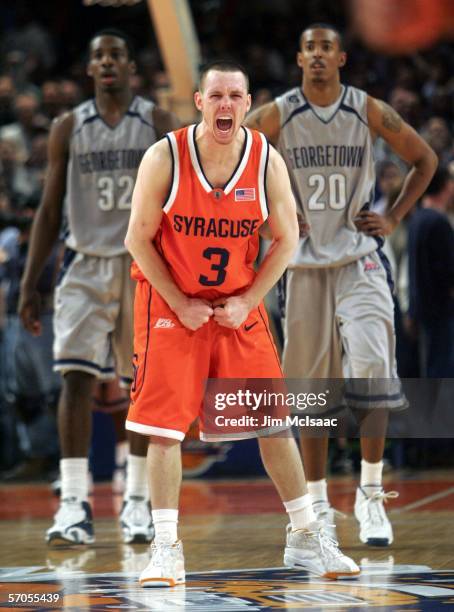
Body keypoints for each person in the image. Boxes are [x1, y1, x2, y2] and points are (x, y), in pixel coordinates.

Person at [124, 60, 360, 586]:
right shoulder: (164, 156)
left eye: (235, 95)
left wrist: (250, 297)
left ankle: (305, 537)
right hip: (169, 303)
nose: (225, 104)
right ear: (199, 101)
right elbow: (137, 238)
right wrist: (179, 303)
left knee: (274, 422)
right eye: (216, 96)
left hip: (237, 305)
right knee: (164, 429)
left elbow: (287, 239)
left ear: (247, 103)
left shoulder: (264, 160)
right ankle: (166, 547)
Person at [245, 23, 437, 547]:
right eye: (309, 47)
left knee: (373, 367)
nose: (318, 55)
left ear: (342, 58)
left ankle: (371, 496)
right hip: (303, 267)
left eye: (327, 47)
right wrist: (266, 220)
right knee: (310, 392)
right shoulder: (275, 115)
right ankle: (319, 503)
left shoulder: (367, 109)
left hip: (360, 260)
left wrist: (394, 216)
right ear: (299, 59)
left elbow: (425, 159)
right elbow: (228, 164)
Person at [18, 29, 180, 546]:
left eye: (116, 54)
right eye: (98, 56)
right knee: (75, 381)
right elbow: (47, 211)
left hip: (142, 267)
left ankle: (135, 503)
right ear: (89, 69)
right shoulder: (69, 126)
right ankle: (73, 504)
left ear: (130, 65)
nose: (107, 62)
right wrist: (28, 282)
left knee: (142, 388)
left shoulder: (156, 122)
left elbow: (185, 200)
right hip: (84, 266)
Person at [407, 168, 454, 377]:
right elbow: (449, 272)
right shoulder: (438, 222)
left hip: (424, 309)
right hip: (442, 311)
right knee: (442, 372)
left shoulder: (417, 219)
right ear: (447, 185)